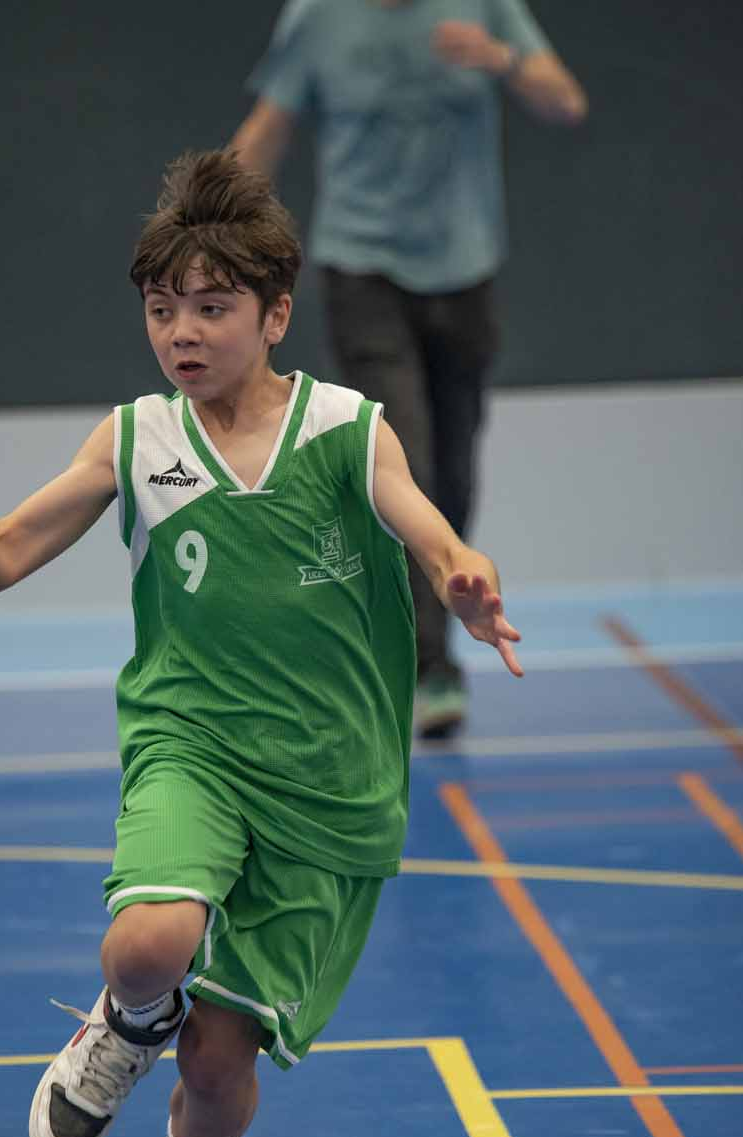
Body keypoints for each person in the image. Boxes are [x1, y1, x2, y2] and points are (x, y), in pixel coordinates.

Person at [0, 148, 521, 1137]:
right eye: (161, 308)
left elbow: (427, 528)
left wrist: (460, 572)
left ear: (276, 314)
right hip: (191, 744)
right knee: (148, 944)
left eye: (212, 307)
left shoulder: (346, 429)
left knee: (219, 1063)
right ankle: (127, 1020)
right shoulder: (135, 438)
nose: (182, 332)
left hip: (330, 785)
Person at [231, 0, 585, 737]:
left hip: (466, 269)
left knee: (452, 474)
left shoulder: (484, 7)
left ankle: (423, 633)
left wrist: (502, 59)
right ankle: (427, 665)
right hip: (362, 267)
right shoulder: (317, 17)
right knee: (402, 462)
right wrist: (202, 221)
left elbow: (566, 101)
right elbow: (269, 127)